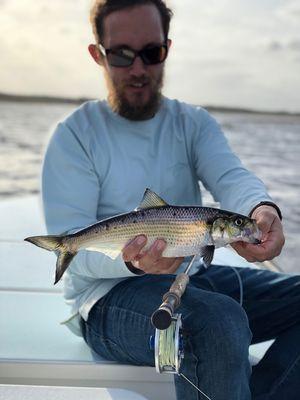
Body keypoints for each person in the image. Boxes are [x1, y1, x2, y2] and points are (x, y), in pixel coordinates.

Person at [42, 1, 299, 399]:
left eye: (151, 52)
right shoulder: (74, 135)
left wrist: (259, 210)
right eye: (122, 54)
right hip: (104, 300)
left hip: (187, 274)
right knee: (218, 321)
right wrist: (132, 260)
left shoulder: (192, 122)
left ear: (167, 49)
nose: (138, 68)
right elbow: (73, 239)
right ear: (98, 54)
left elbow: (230, 176)